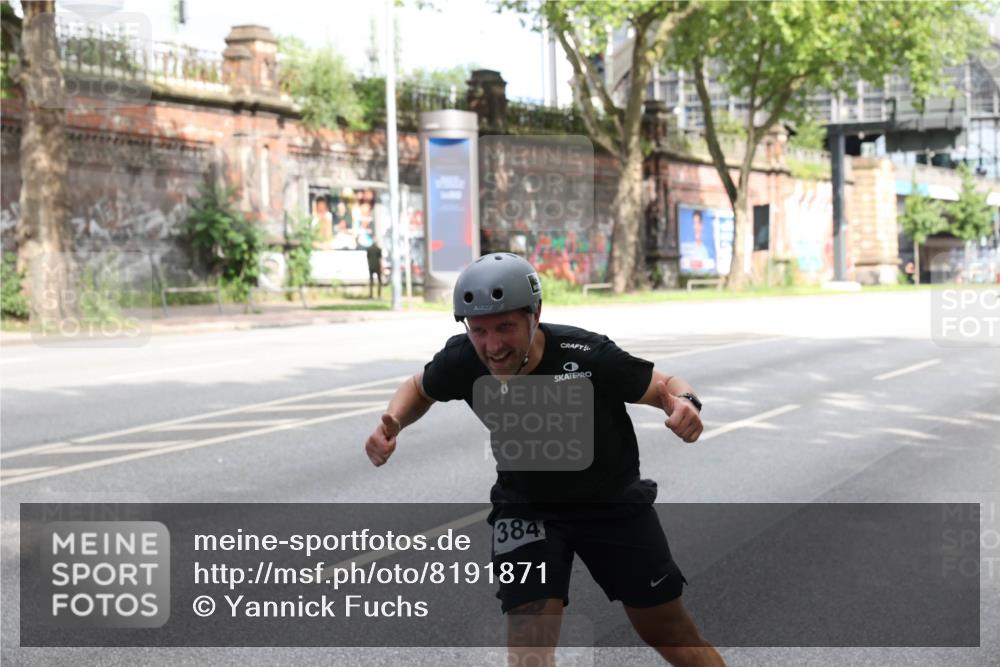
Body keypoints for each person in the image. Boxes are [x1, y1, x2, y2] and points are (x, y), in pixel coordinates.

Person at [365, 253, 725, 667]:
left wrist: (684, 402)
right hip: (525, 509)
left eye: (505, 327)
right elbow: (418, 387)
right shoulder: (465, 359)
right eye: (479, 330)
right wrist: (392, 426)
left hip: (611, 505)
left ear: (535, 315)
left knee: (670, 634)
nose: (493, 346)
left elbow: (664, 384)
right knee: (528, 650)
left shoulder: (586, 356)